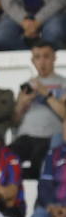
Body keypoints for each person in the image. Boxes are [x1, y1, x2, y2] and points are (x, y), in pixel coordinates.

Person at [10, 39, 66, 174]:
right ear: (32, 60)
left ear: (54, 58)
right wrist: (21, 104)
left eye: (46, 56)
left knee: (39, 162)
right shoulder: (27, 85)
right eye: (37, 57)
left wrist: (46, 94)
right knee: (8, 157)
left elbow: (64, 115)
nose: (42, 62)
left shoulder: (63, 84)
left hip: (50, 137)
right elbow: (14, 122)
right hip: (25, 136)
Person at [30, 125, 66, 217]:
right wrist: (51, 206)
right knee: (38, 216)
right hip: (54, 207)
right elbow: (44, 186)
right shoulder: (53, 154)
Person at [0, 0, 66, 49]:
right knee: (1, 34)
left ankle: (47, 57)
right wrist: (23, 19)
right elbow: (6, 0)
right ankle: (30, 58)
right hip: (18, 14)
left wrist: (38, 20)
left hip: (50, 13)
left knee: (55, 30)